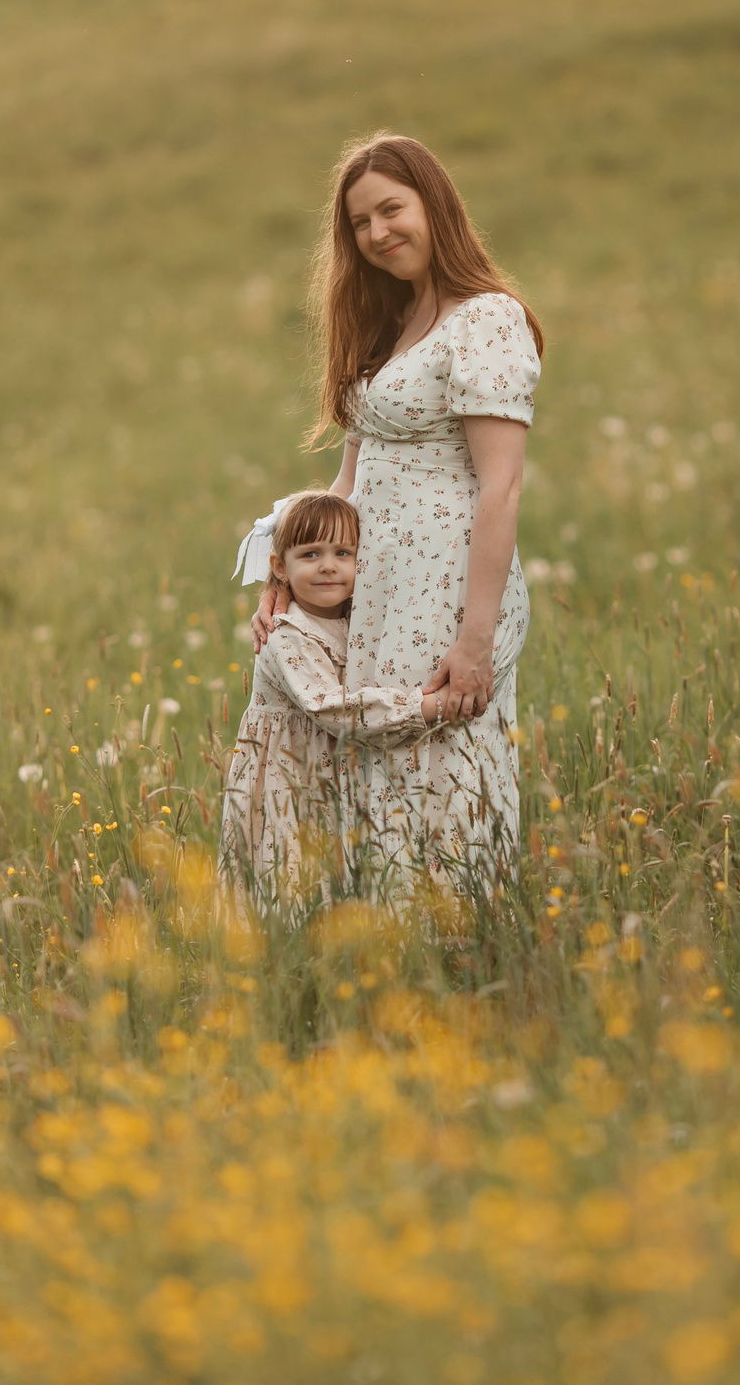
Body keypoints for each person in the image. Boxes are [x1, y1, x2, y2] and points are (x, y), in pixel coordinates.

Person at [249, 133, 542, 899]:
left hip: (448, 586)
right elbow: (347, 479)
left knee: (440, 770)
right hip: (377, 589)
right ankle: (382, 951)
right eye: (359, 223)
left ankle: (459, 945)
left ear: (433, 205)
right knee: (381, 764)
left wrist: (474, 636)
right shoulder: (390, 326)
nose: (378, 233)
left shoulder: (486, 319)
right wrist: (275, 575)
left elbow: (501, 487)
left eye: (391, 209)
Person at [221, 491, 447, 913]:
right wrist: (426, 707)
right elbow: (333, 708)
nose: (328, 565)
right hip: (291, 776)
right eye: (310, 554)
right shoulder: (284, 634)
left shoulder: (360, 621)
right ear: (279, 568)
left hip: (333, 771)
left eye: (344, 552)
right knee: (292, 867)